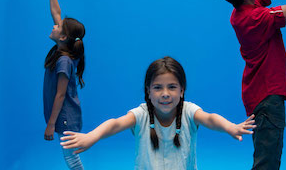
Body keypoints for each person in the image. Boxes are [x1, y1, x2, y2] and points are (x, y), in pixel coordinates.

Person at [60, 56, 255, 170]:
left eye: (172, 87)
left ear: (182, 90)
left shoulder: (188, 111)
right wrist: (91, 137)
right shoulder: (142, 114)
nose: (165, 94)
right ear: (148, 91)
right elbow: (115, 123)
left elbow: (210, 118)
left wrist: (231, 127)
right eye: (158, 88)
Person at [216, 0, 286, 169]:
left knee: (267, 157)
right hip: (267, 97)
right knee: (267, 163)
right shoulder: (255, 18)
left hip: (259, 93)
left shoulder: (244, 9)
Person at [41, 0, 87, 170]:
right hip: (68, 116)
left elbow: (60, 95)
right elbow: (56, 12)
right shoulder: (64, 50)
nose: (54, 25)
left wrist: (51, 124)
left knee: (71, 159)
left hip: (66, 117)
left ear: (63, 37)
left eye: (58, 27)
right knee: (70, 157)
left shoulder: (63, 61)